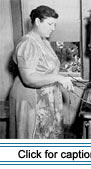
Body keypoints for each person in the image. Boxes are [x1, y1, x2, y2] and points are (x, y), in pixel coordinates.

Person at [9, 5, 74, 139]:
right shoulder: (28, 43)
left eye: (54, 24)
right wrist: (57, 78)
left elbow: (46, 69)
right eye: (50, 24)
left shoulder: (43, 41)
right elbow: (29, 78)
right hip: (32, 99)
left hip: (46, 97)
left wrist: (61, 77)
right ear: (37, 21)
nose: (53, 28)